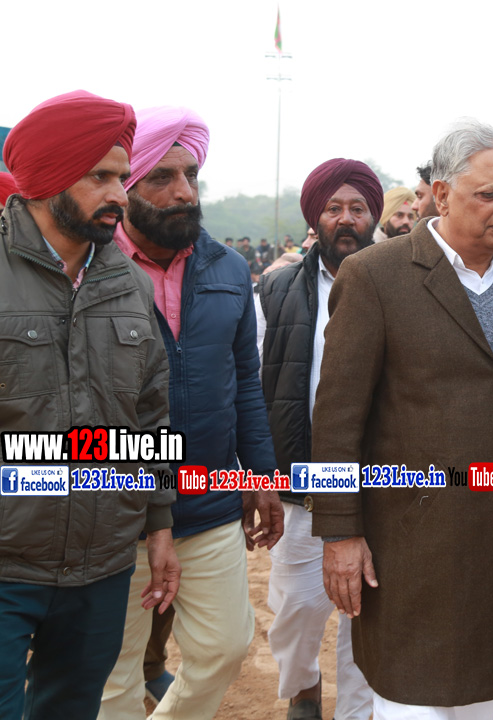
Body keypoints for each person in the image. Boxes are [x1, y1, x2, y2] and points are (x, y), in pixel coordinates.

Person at [310, 121, 493, 719]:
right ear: (441, 194)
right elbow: (336, 420)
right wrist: (340, 534)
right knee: (411, 698)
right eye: (489, 193)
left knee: (479, 702)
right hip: (412, 547)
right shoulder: (375, 276)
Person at [100, 106, 283, 720]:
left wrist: (260, 474)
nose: (184, 192)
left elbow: (246, 382)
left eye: (191, 175)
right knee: (115, 670)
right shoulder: (93, 270)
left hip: (209, 502)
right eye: (162, 177)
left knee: (225, 646)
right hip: (116, 506)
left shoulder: (228, 268)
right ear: (126, 187)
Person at [0, 89, 178, 720]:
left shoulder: (127, 283)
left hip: (101, 565)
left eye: (121, 177)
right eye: (99, 177)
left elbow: (150, 414)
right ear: (47, 179)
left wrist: (160, 524)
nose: (119, 195)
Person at [257, 158, 383, 720]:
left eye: (358, 208)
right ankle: (303, 689)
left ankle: (358, 711)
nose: (346, 219)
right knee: (296, 608)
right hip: (300, 482)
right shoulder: (276, 288)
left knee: (369, 610)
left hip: (379, 481)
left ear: (373, 215)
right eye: (334, 208)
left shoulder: (399, 284)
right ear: (316, 217)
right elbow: (254, 383)